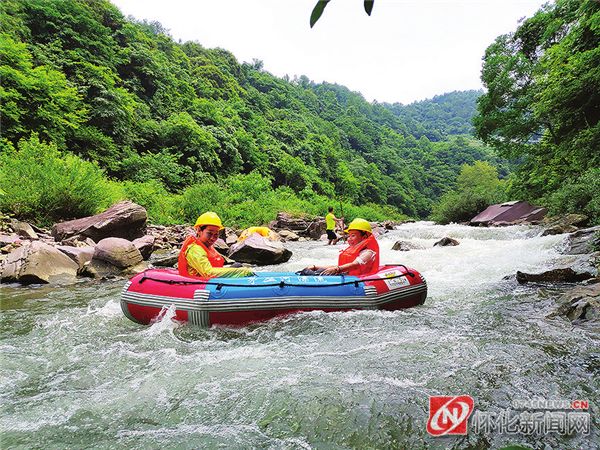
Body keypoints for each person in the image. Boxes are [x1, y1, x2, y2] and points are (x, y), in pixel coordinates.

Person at [178, 211, 255, 278]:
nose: (212, 238)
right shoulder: (195, 250)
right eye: (209, 233)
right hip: (198, 283)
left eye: (216, 235)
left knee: (237, 265)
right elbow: (208, 273)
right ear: (199, 230)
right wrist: (241, 272)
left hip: (212, 280)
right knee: (242, 270)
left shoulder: (207, 246)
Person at [305, 218, 380, 276]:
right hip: (345, 275)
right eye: (349, 236)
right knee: (313, 271)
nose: (349, 238)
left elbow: (354, 265)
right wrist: (316, 267)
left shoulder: (368, 252)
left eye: (353, 235)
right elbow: (340, 266)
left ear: (364, 237)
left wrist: (337, 269)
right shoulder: (351, 250)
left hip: (358, 280)